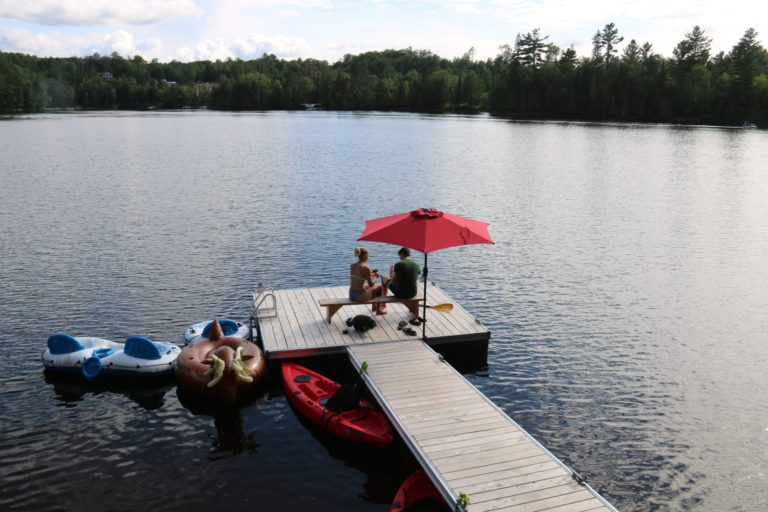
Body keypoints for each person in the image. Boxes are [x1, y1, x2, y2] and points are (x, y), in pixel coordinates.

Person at [349, 247, 386, 314]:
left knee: (367, 287)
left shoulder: (352, 265)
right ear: (365, 256)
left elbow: (359, 276)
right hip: (359, 296)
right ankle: (378, 311)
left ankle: (374, 307)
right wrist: (375, 276)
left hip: (351, 294)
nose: (368, 257)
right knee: (379, 287)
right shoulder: (366, 268)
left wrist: (370, 275)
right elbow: (371, 284)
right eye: (368, 255)